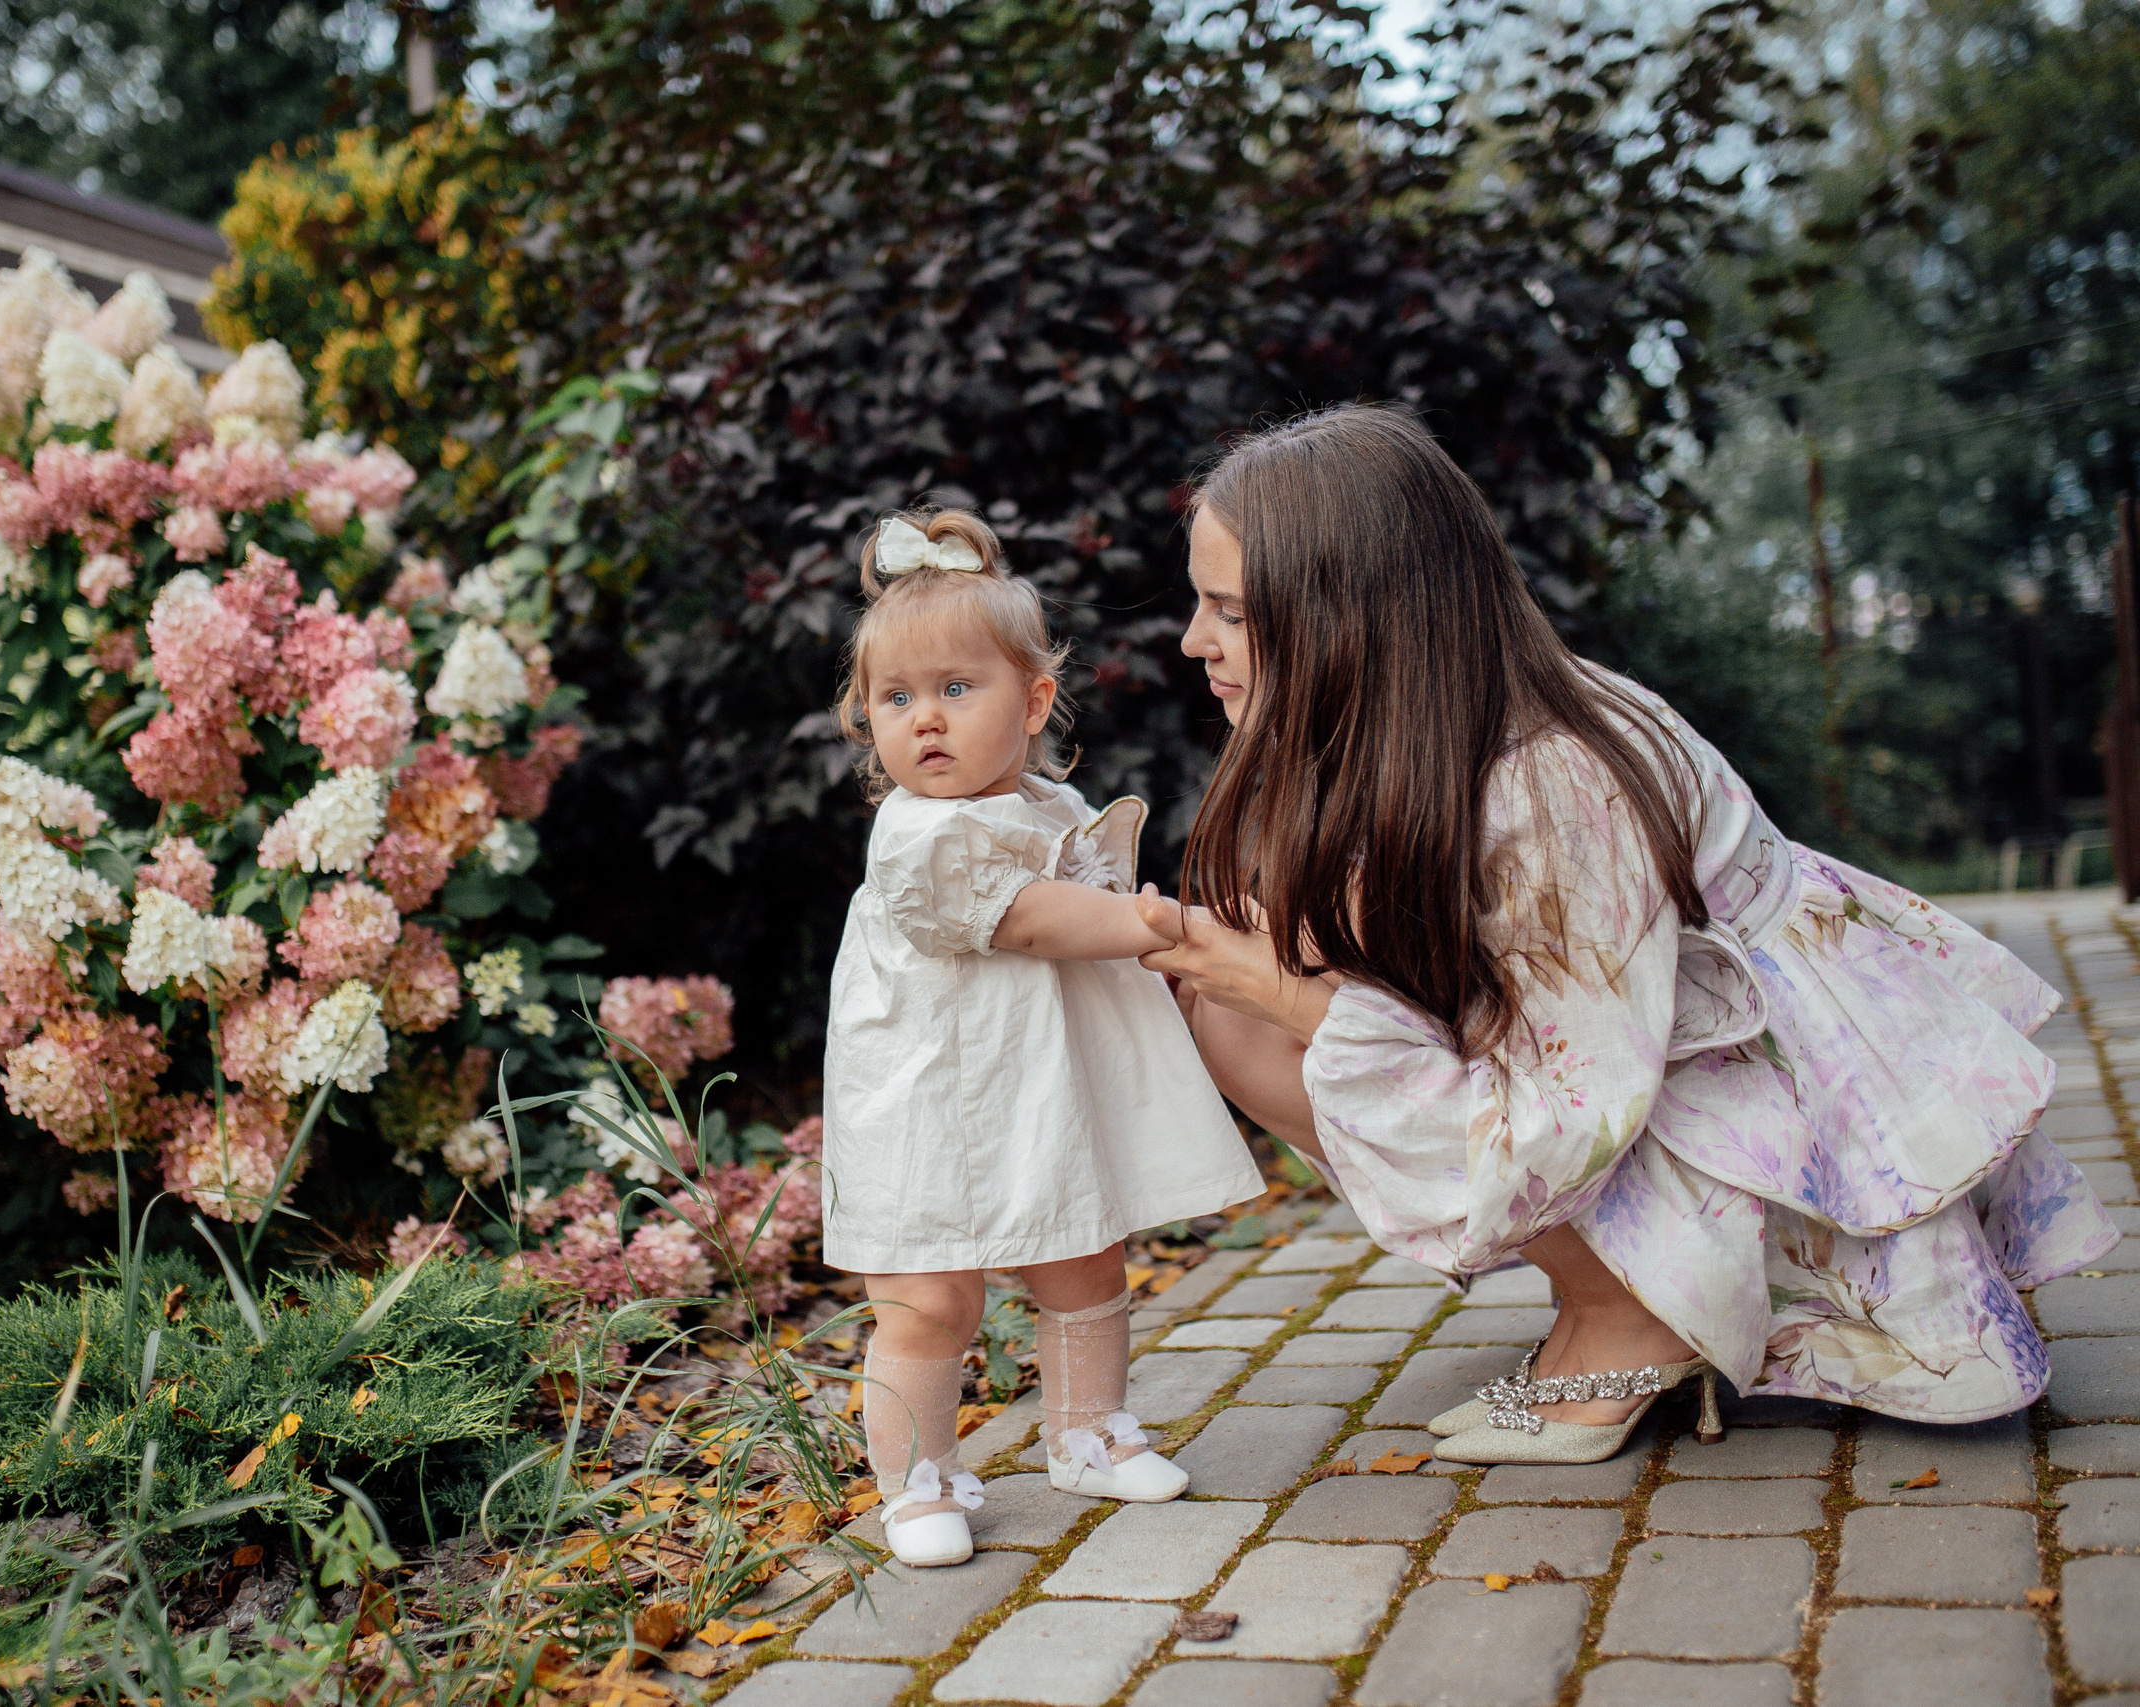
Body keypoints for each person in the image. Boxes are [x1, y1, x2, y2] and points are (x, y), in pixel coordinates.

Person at [1140, 403, 2119, 1466]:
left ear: (1353, 613)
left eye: (1228, 611)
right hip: (1629, 1064)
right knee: (1229, 1015)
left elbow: (1583, 1110)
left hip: (1758, 1105)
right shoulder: (1417, 735)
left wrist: (1286, 993)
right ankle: (1601, 1298)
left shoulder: (1557, 780)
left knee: (1271, 1017)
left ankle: (1637, 1318)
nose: (1194, 641)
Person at [822, 509, 1265, 1565]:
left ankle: (1086, 1434)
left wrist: (1132, 912)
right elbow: (1028, 917)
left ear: (1032, 702)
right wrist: (1151, 923)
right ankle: (916, 1485)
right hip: (927, 1103)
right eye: (896, 699)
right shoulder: (918, 838)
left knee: (1082, 1254)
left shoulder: (1046, 803)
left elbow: (1079, 899)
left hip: (1036, 1089)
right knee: (929, 1299)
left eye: (954, 690)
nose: (923, 720)